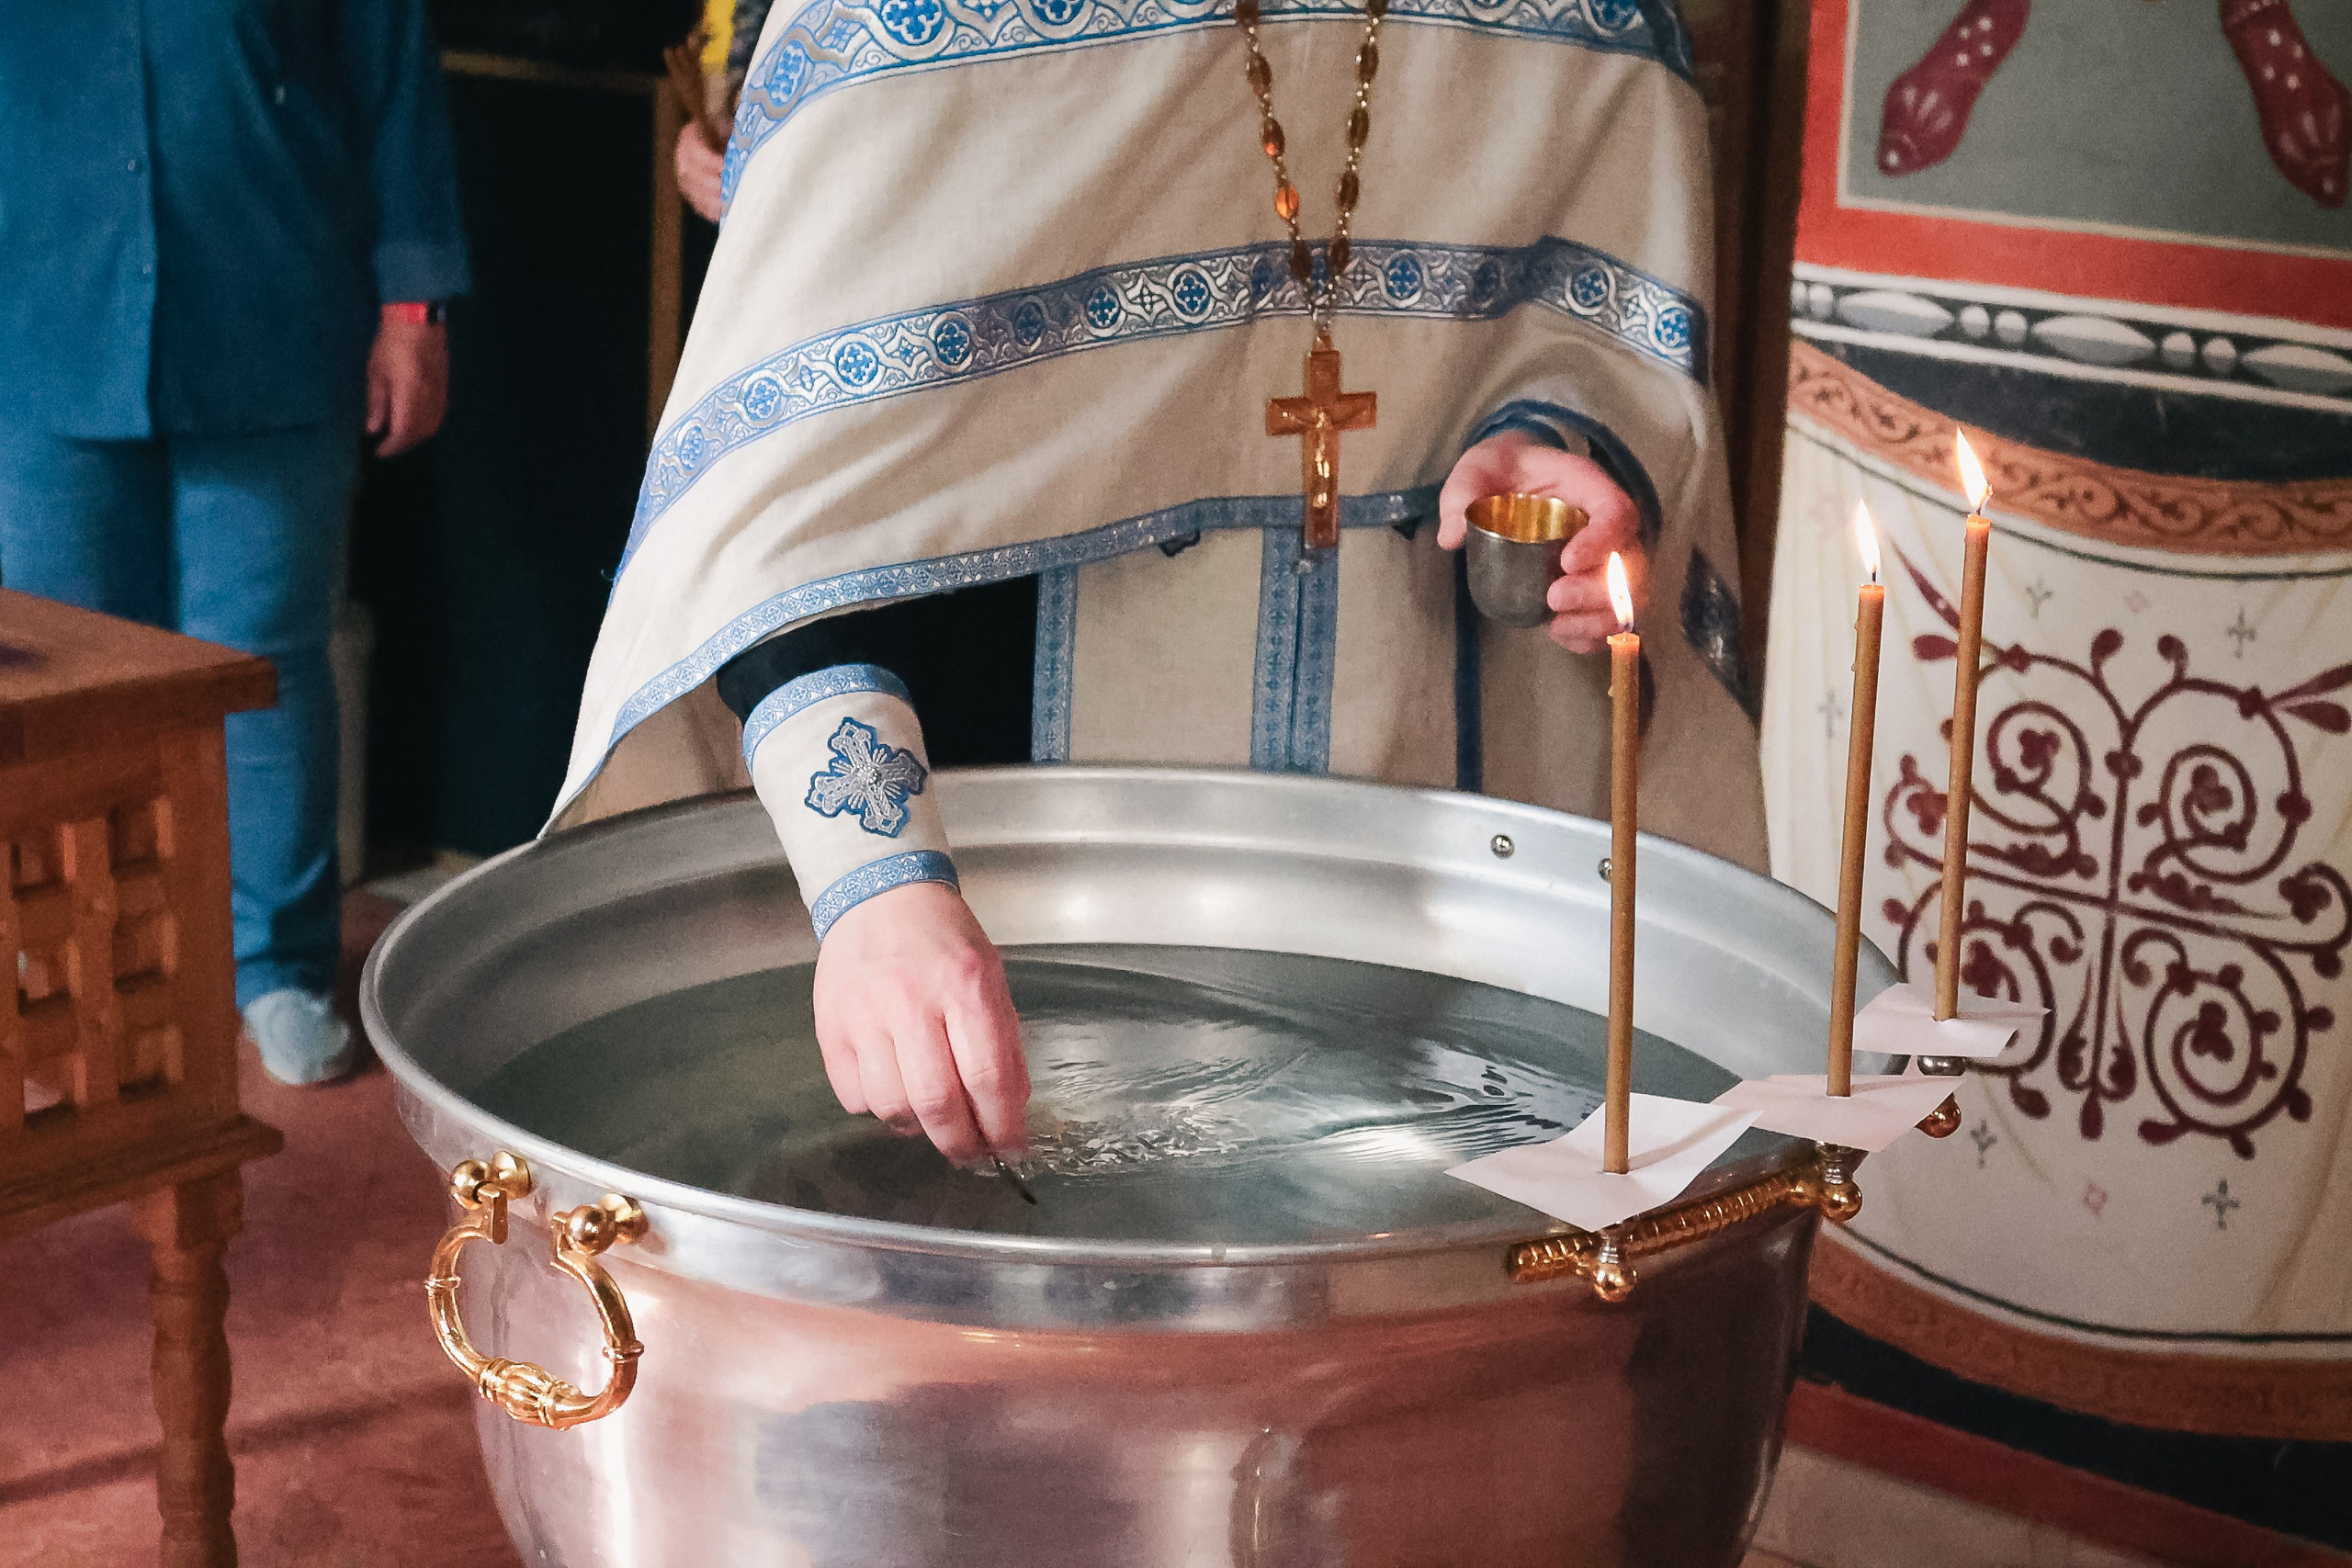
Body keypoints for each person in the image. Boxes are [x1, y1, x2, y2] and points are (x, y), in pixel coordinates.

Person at [558, 0, 1764, 1166]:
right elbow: (772, 497)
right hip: (1010, 865)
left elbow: (1606, 323)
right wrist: (875, 887)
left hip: (1441, 811)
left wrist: (1574, 453)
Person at [0, 1, 469, 1084]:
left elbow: (389, 67)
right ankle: (87, 963)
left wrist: (414, 309)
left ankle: (277, 969)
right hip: (42, 319)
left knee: (263, 663)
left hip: (273, 310)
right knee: (69, 687)